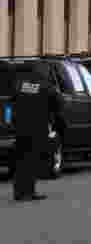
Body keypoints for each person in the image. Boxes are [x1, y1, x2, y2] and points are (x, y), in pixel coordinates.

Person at [12, 61, 56, 202]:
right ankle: (29, 192)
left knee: (20, 160)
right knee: (32, 161)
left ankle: (18, 192)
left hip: (20, 127)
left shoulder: (20, 84)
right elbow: (57, 102)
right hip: (37, 127)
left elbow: (13, 102)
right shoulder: (45, 85)